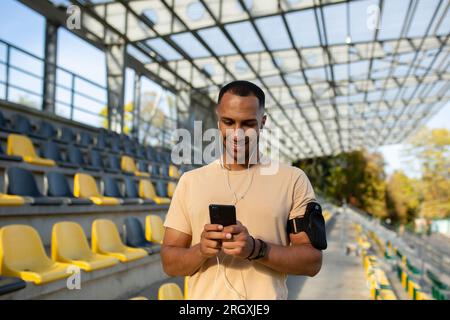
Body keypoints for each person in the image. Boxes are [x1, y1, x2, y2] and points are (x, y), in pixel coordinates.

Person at [161, 80, 323, 299]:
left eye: (247, 124)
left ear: (262, 122)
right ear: (218, 121)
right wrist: (200, 250)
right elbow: (170, 263)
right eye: (229, 122)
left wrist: (256, 249)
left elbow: (312, 262)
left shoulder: (292, 179)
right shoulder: (190, 182)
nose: (237, 133)